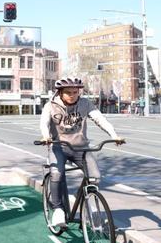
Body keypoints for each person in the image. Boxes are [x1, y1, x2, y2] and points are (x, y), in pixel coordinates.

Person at [39, 77, 125, 228]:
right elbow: (44, 123)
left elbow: (100, 119)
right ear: (60, 93)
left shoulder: (85, 103)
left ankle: (88, 207)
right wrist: (46, 136)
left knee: (95, 177)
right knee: (57, 174)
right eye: (68, 93)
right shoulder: (50, 106)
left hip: (80, 148)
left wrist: (114, 135)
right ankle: (57, 209)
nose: (72, 95)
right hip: (59, 146)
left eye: (75, 92)